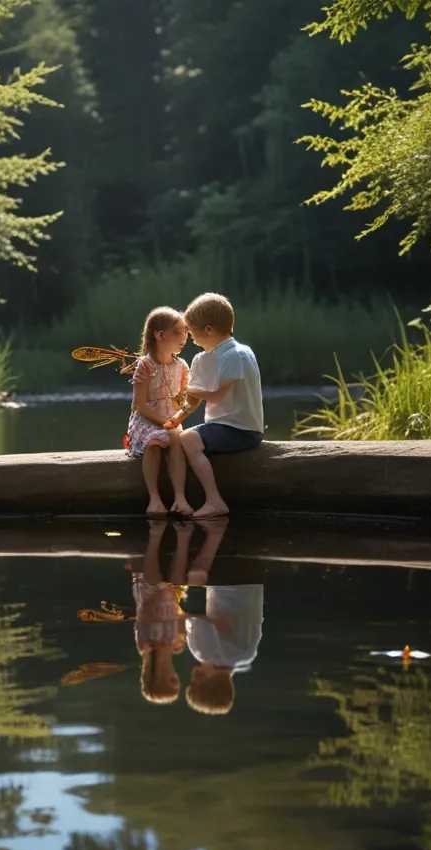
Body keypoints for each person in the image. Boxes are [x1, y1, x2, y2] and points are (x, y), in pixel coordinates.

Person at [163, 292, 264, 519]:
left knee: (189, 438)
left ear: (208, 330)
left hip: (242, 428)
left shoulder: (237, 354)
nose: (188, 336)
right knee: (179, 435)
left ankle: (215, 500)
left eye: (191, 329)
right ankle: (182, 498)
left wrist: (183, 389)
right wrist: (175, 419)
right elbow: (194, 400)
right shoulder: (202, 359)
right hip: (220, 426)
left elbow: (217, 396)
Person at [184, 523, 264, 715]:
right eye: (194, 682)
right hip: (223, 581)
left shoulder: (248, 655)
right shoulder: (204, 653)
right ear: (202, 681)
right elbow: (202, 622)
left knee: (242, 534)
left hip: (254, 581)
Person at [125, 306, 193, 517]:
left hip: (170, 421)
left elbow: (184, 401)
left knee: (176, 438)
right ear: (159, 334)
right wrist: (163, 421)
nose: (185, 337)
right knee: (155, 440)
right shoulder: (145, 365)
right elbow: (140, 406)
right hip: (146, 420)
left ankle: (180, 498)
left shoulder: (182, 366)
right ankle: (154, 499)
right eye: (178, 332)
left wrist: (176, 418)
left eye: (187, 332)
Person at [132, 520, 191, 704]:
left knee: (159, 586)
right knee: (175, 583)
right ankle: (183, 537)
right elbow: (182, 616)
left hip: (150, 595)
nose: (177, 680)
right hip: (170, 599)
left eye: (171, 684)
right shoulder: (175, 646)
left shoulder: (146, 647)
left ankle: (155, 535)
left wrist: (162, 598)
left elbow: (143, 613)